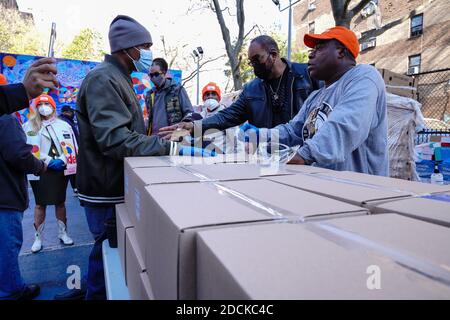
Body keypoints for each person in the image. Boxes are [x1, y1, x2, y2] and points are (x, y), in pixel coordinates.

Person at [70, 15, 212, 301]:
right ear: (127, 48)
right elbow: (114, 139)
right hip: (105, 187)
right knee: (106, 253)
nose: (148, 54)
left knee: (108, 253)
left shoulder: (118, 78)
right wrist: (169, 148)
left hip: (114, 182)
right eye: (144, 46)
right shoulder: (103, 79)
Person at [240, 27, 389, 176]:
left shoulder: (363, 77)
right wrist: (262, 135)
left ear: (341, 52)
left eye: (319, 48)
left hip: (363, 191)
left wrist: (302, 156)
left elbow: (345, 125)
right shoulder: (315, 97)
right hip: (322, 185)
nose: (311, 54)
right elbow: (293, 131)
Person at [158, 35, 321, 140]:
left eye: (257, 59)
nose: (254, 66)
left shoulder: (307, 75)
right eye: (251, 62)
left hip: (305, 157)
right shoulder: (251, 90)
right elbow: (226, 117)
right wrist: (193, 127)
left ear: (273, 54)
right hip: (269, 159)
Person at [0, 113, 47, 300]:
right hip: (5, 196)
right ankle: (11, 290)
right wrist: (39, 166)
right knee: (6, 247)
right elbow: (19, 155)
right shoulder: (5, 119)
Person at [23, 94, 77, 253]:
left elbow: (73, 146)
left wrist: (62, 160)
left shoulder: (63, 125)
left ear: (53, 107)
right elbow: (28, 149)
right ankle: (38, 238)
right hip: (39, 170)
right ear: (36, 107)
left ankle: (63, 233)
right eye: (40, 104)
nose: (43, 107)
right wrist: (47, 161)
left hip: (60, 169)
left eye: (47, 103)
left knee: (60, 201)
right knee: (40, 204)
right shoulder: (29, 126)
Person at [145, 58, 194, 136]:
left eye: (156, 74)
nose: (153, 78)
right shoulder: (149, 95)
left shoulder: (177, 90)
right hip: (154, 141)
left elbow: (189, 113)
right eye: (151, 75)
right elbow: (149, 118)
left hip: (173, 138)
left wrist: (180, 130)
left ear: (164, 73)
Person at [59, 105, 79, 195]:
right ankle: (75, 187)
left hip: (71, 147)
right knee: (72, 168)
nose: (72, 113)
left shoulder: (68, 120)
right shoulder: (63, 121)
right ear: (65, 112)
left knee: (72, 168)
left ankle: (75, 187)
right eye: (70, 112)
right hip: (68, 148)